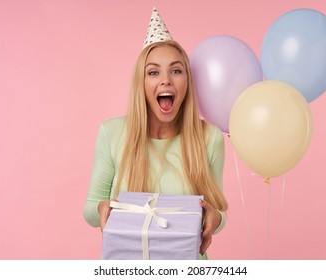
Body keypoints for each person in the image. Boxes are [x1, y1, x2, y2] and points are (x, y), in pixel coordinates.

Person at [83, 7, 228, 259]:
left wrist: (216, 218)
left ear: (186, 82)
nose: (165, 81)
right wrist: (102, 208)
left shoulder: (210, 138)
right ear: (142, 83)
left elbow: (218, 213)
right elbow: (90, 209)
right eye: (153, 72)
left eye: (176, 70)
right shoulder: (112, 133)